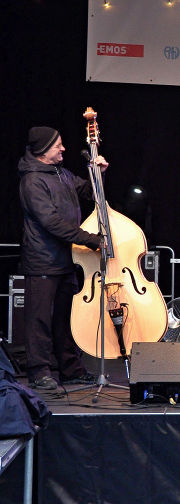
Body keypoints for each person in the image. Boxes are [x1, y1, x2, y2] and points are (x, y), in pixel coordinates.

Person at [17, 126, 102, 391]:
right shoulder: (33, 181)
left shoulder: (61, 174)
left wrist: (98, 174)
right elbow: (50, 222)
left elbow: (89, 193)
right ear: (43, 150)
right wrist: (90, 239)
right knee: (40, 320)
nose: (63, 148)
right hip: (42, 260)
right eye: (58, 145)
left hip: (66, 261)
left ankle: (71, 369)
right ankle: (38, 372)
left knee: (66, 319)